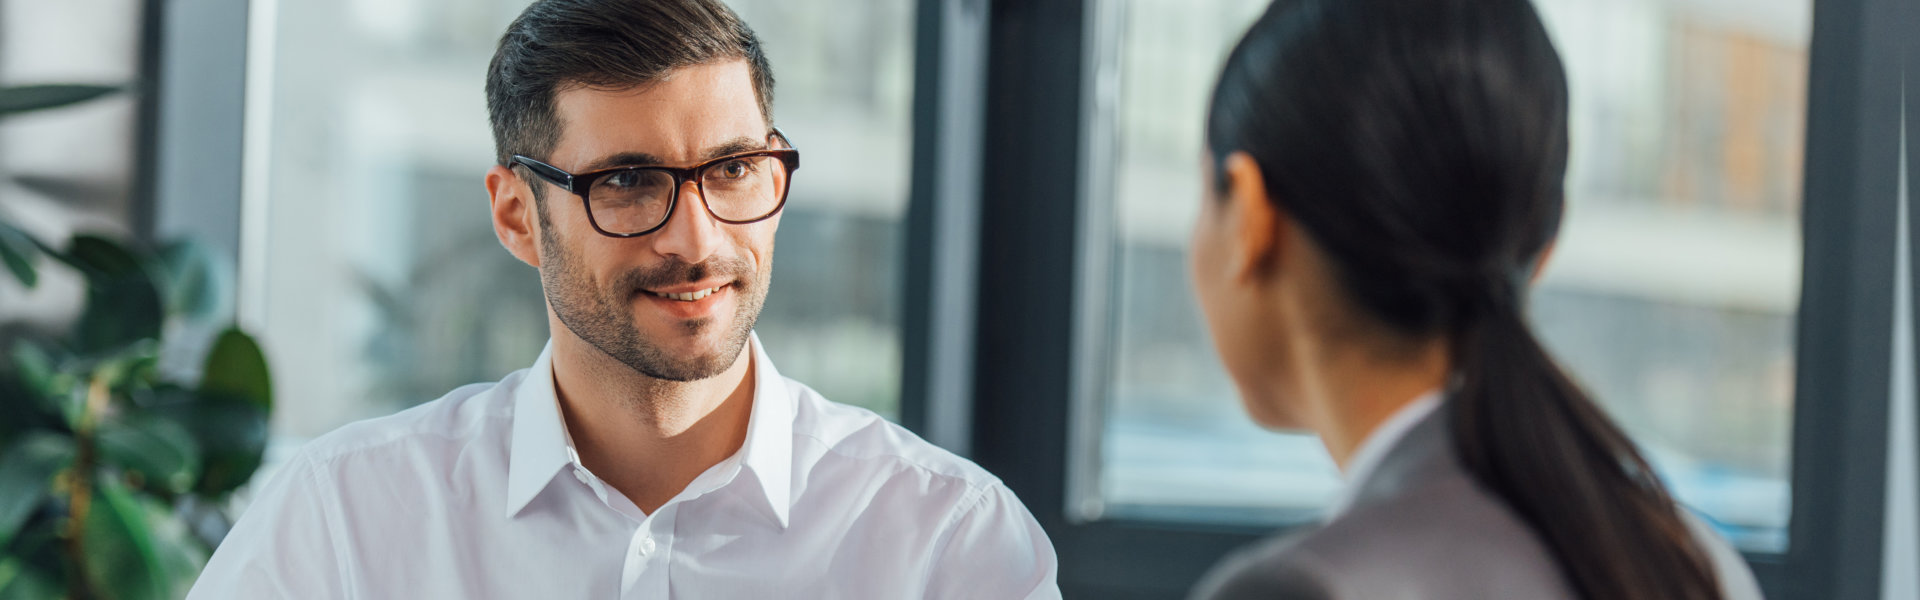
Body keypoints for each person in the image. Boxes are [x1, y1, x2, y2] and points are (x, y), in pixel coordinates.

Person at [188, 0, 1059, 597]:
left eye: (733, 169)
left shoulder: (949, 545)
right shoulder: (342, 522)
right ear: (516, 215)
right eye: (631, 181)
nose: (698, 239)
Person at [1182, 0, 1764, 598]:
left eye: (1203, 194)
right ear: (1542, 248)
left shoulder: (1303, 586)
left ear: (1251, 217)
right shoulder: (1692, 560)